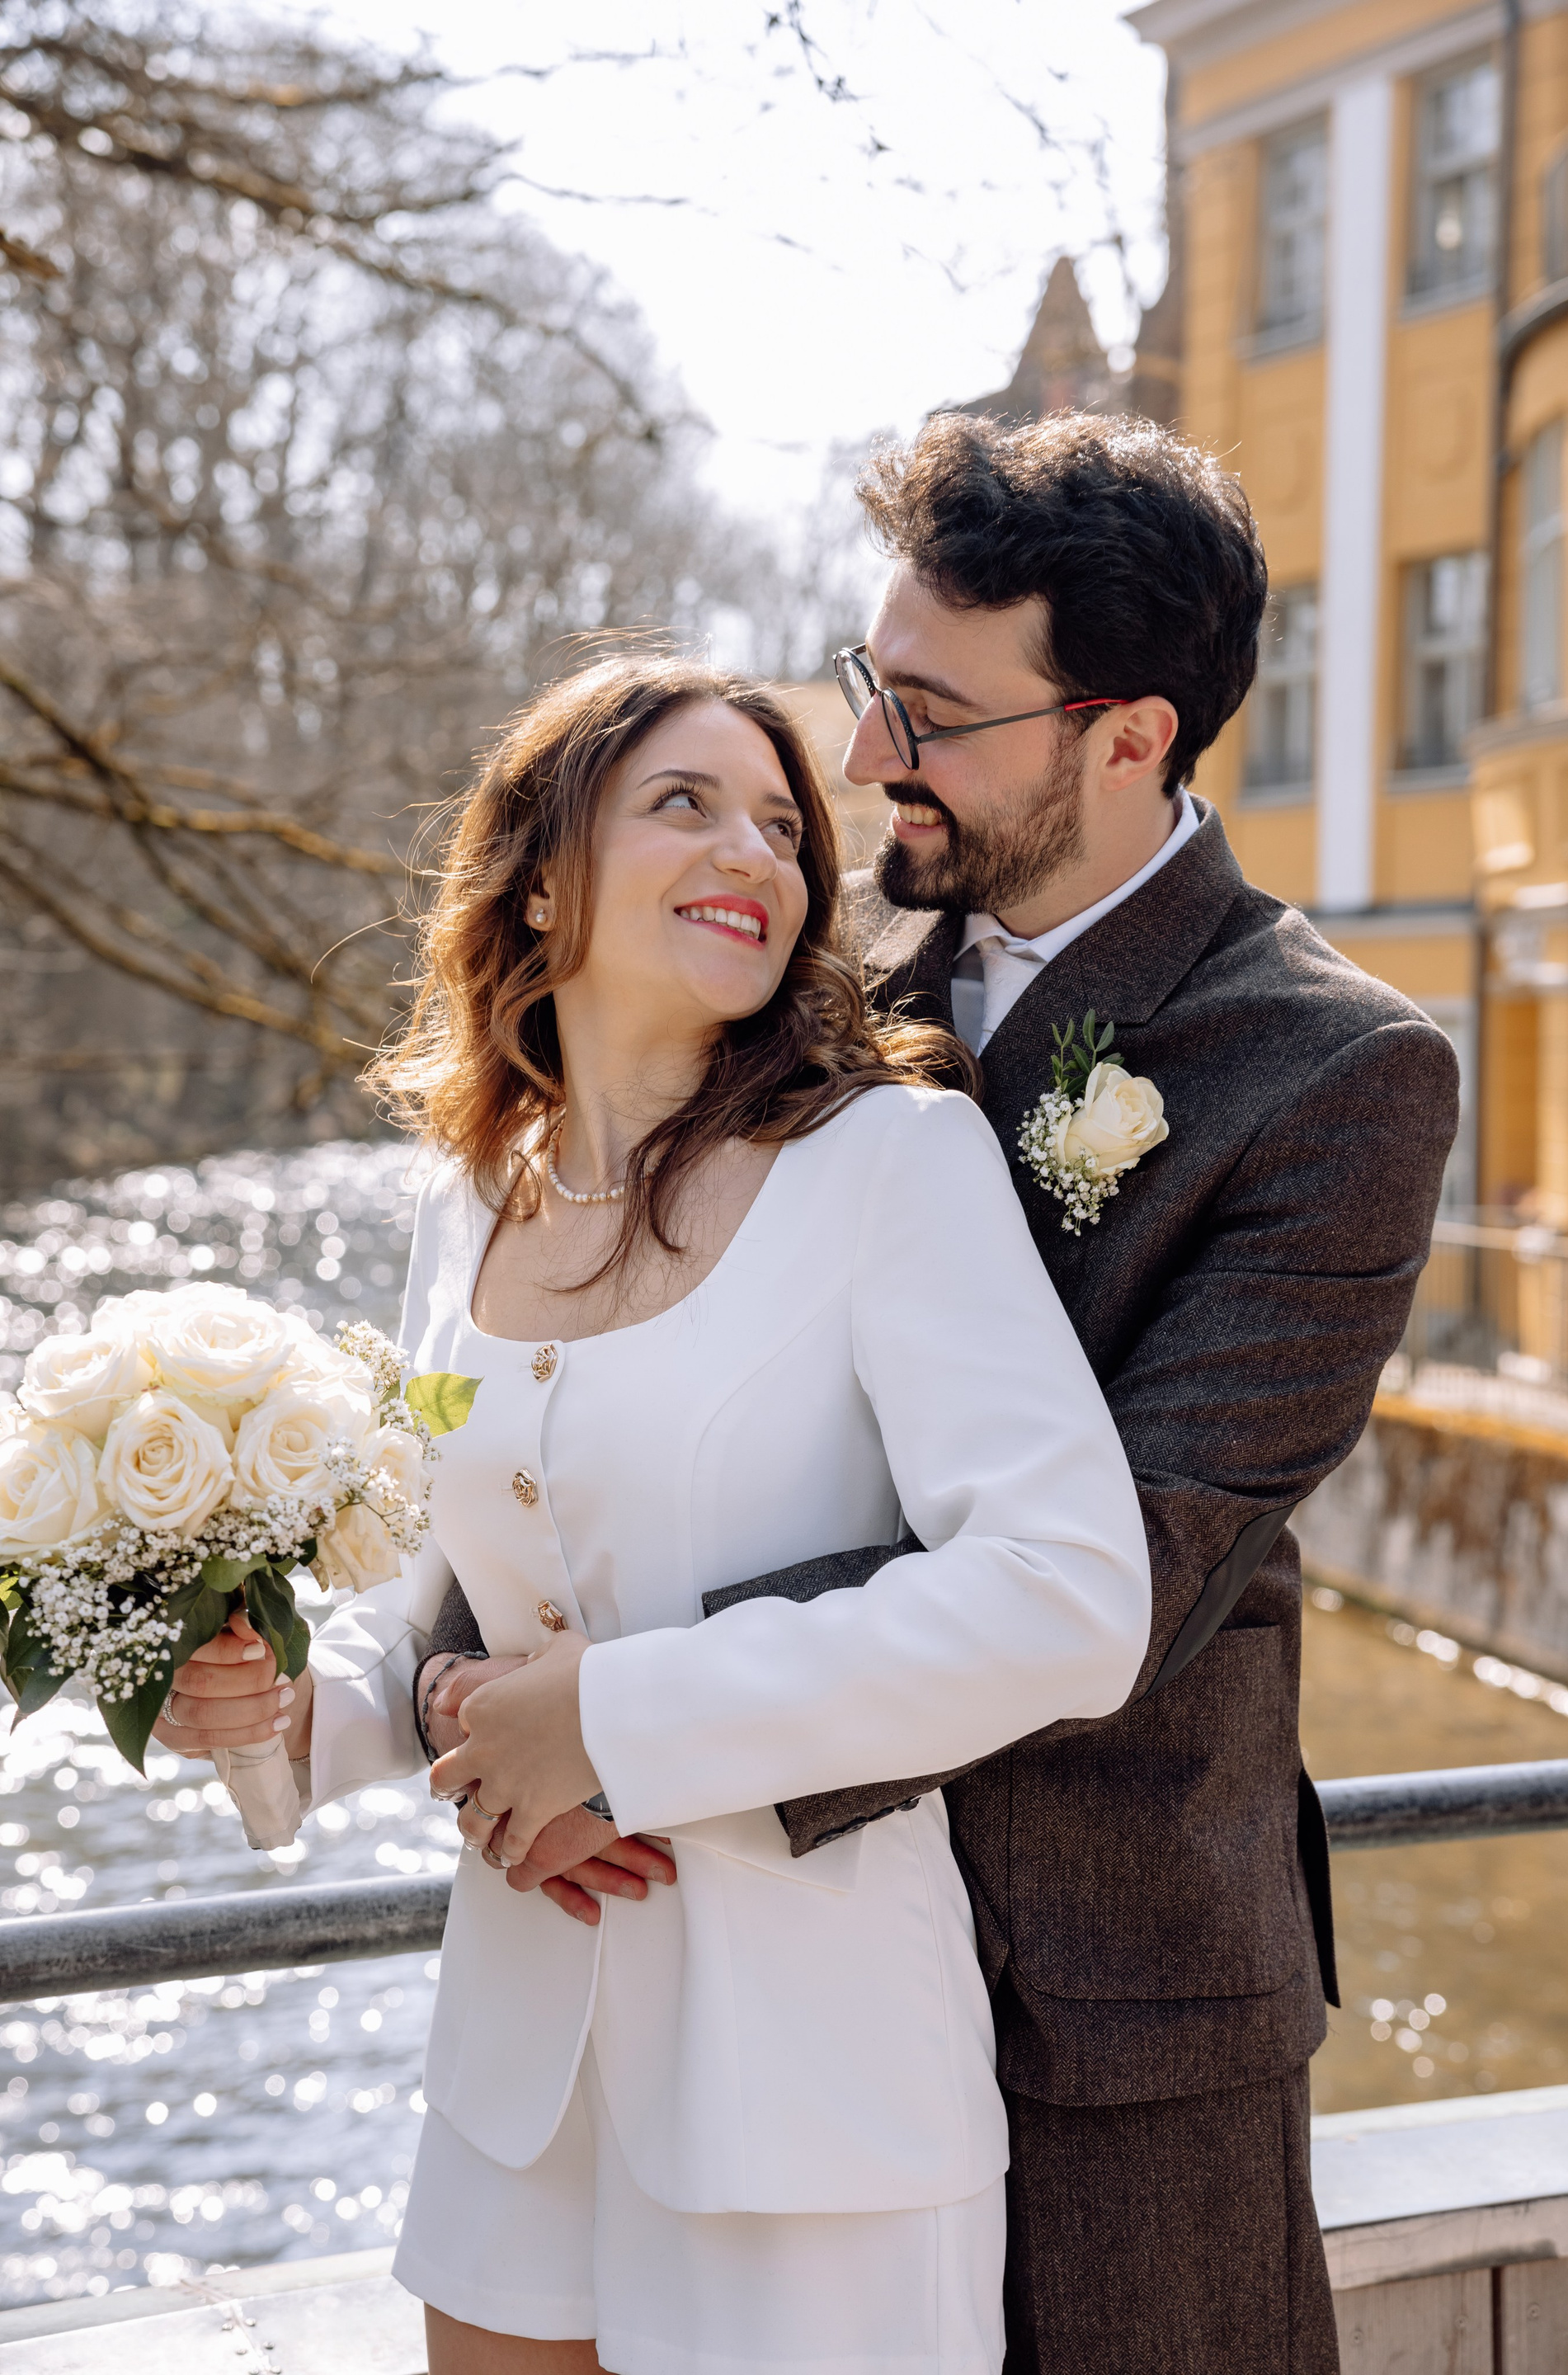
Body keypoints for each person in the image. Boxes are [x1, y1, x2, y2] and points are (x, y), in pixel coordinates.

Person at [429, 414, 1462, 2375]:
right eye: (869, 679)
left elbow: (1125, 1574)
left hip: (1106, 1993)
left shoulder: (1339, 1075)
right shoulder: (806, 983)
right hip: (750, 1963)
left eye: (932, 713)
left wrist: (618, 1730)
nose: (865, 755)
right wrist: (473, 1709)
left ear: (1127, 736)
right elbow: (574, 1396)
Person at [153, 652, 1154, 2375]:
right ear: (541, 879)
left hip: (815, 2100)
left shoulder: (893, 1162)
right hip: (513, 2087)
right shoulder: (467, 1198)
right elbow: (439, 1595)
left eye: (782, 826)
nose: (755, 851)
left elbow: (1066, 1595)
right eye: (684, 803)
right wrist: (288, 1710)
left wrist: (612, 1725)